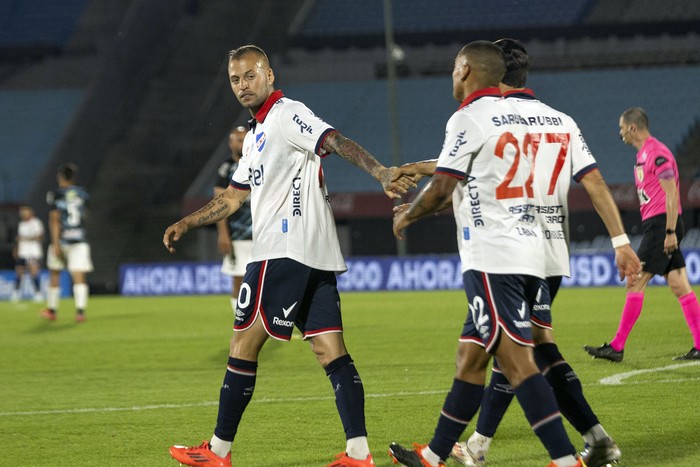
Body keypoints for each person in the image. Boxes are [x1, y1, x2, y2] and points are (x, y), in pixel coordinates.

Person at [164, 44, 414, 467]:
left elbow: (333, 140)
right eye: (235, 79)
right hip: (313, 252)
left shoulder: (286, 114)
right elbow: (233, 197)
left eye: (250, 75)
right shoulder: (256, 134)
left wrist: (381, 172)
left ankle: (218, 451)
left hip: (282, 250)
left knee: (242, 343)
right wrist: (189, 222)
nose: (242, 85)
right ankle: (358, 452)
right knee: (330, 350)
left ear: (269, 75)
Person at [445, 38, 640, 467]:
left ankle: (493, 449)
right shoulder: (557, 119)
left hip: (506, 252)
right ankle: (485, 444)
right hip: (550, 251)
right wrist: (621, 242)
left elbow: (479, 169)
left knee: (512, 348)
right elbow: (593, 181)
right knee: (529, 344)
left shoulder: (487, 117)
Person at [388, 40, 584, 467]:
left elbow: (443, 188)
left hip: (494, 258)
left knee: (516, 360)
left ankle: (566, 459)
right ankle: (436, 454)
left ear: (463, 70)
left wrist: (407, 217)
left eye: (453, 67)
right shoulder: (519, 119)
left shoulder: (469, 117)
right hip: (534, 252)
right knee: (471, 356)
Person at [584, 107, 700, 362]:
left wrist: (669, 231)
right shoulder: (644, 154)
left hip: (662, 226)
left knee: (635, 280)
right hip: (659, 225)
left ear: (633, 128)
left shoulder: (656, 153)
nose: (620, 133)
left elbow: (671, 193)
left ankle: (616, 347)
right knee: (679, 284)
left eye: (622, 127)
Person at [40, 163, 93, 322]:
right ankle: (80, 312)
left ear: (60, 176)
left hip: (62, 239)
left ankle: (52, 310)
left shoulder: (55, 194)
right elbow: (85, 215)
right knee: (79, 274)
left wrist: (55, 243)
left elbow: (54, 218)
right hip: (79, 239)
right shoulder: (82, 193)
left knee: (55, 273)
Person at [214, 125, 252, 312]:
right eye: (237, 139)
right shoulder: (226, 169)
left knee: (268, 280)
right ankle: (240, 322)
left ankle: (266, 323)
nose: (241, 143)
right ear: (230, 143)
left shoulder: (257, 162)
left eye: (244, 138)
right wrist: (223, 234)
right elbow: (220, 204)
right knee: (239, 280)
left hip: (264, 233)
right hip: (238, 234)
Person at [11, 205, 45, 302]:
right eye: (22, 212)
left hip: (33, 252)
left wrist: (25, 238)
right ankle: (16, 292)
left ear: (30, 213)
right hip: (23, 252)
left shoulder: (36, 223)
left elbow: (40, 236)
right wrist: (16, 248)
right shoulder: (21, 224)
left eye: (25, 212)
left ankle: (38, 293)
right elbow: (19, 239)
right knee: (19, 272)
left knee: (33, 272)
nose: (23, 214)